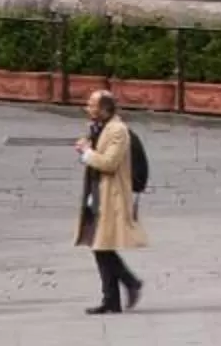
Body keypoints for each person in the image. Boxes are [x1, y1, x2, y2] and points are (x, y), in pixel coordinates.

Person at [74, 90, 145, 317]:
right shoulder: (100, 127)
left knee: (101, 247)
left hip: (110, 195)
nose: (87, 107)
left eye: (92, 104)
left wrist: (86, 152)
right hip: (97, 193)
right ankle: (112, 299)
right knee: (100, 247)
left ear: (104, 109)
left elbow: (109, 163)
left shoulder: (117, 130)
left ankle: (130, 282)